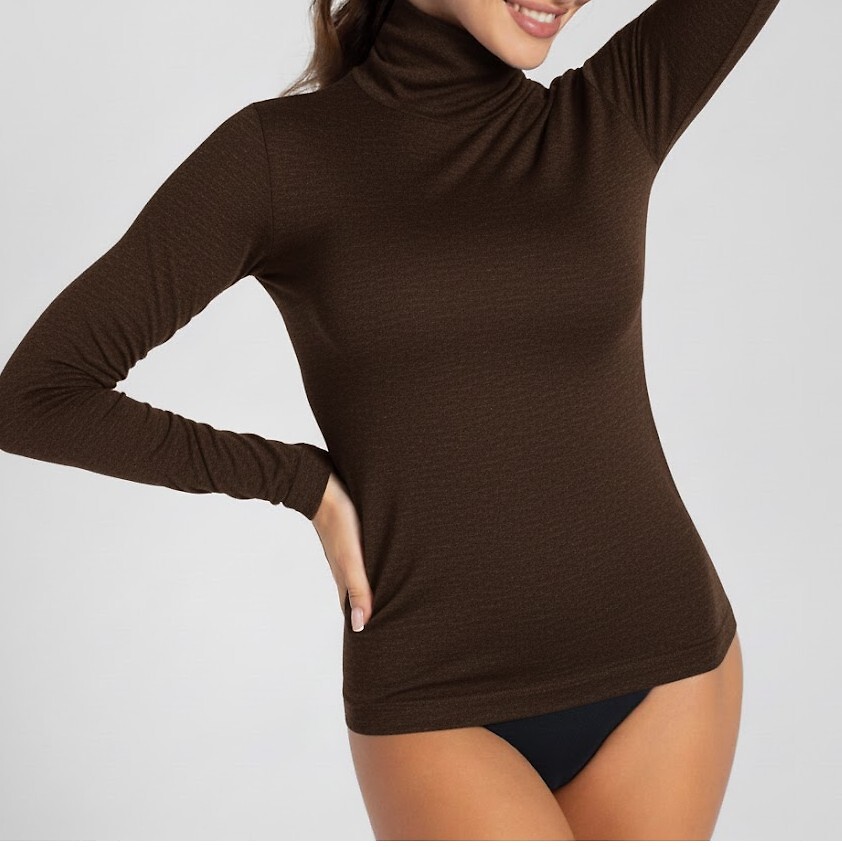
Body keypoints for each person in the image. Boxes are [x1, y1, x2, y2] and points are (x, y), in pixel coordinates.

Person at [0, 0, 782, 838]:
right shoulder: (278, 158)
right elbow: (36, 396)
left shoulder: (613, 112)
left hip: (666, 663)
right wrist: (302, 482)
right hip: (435, 695)